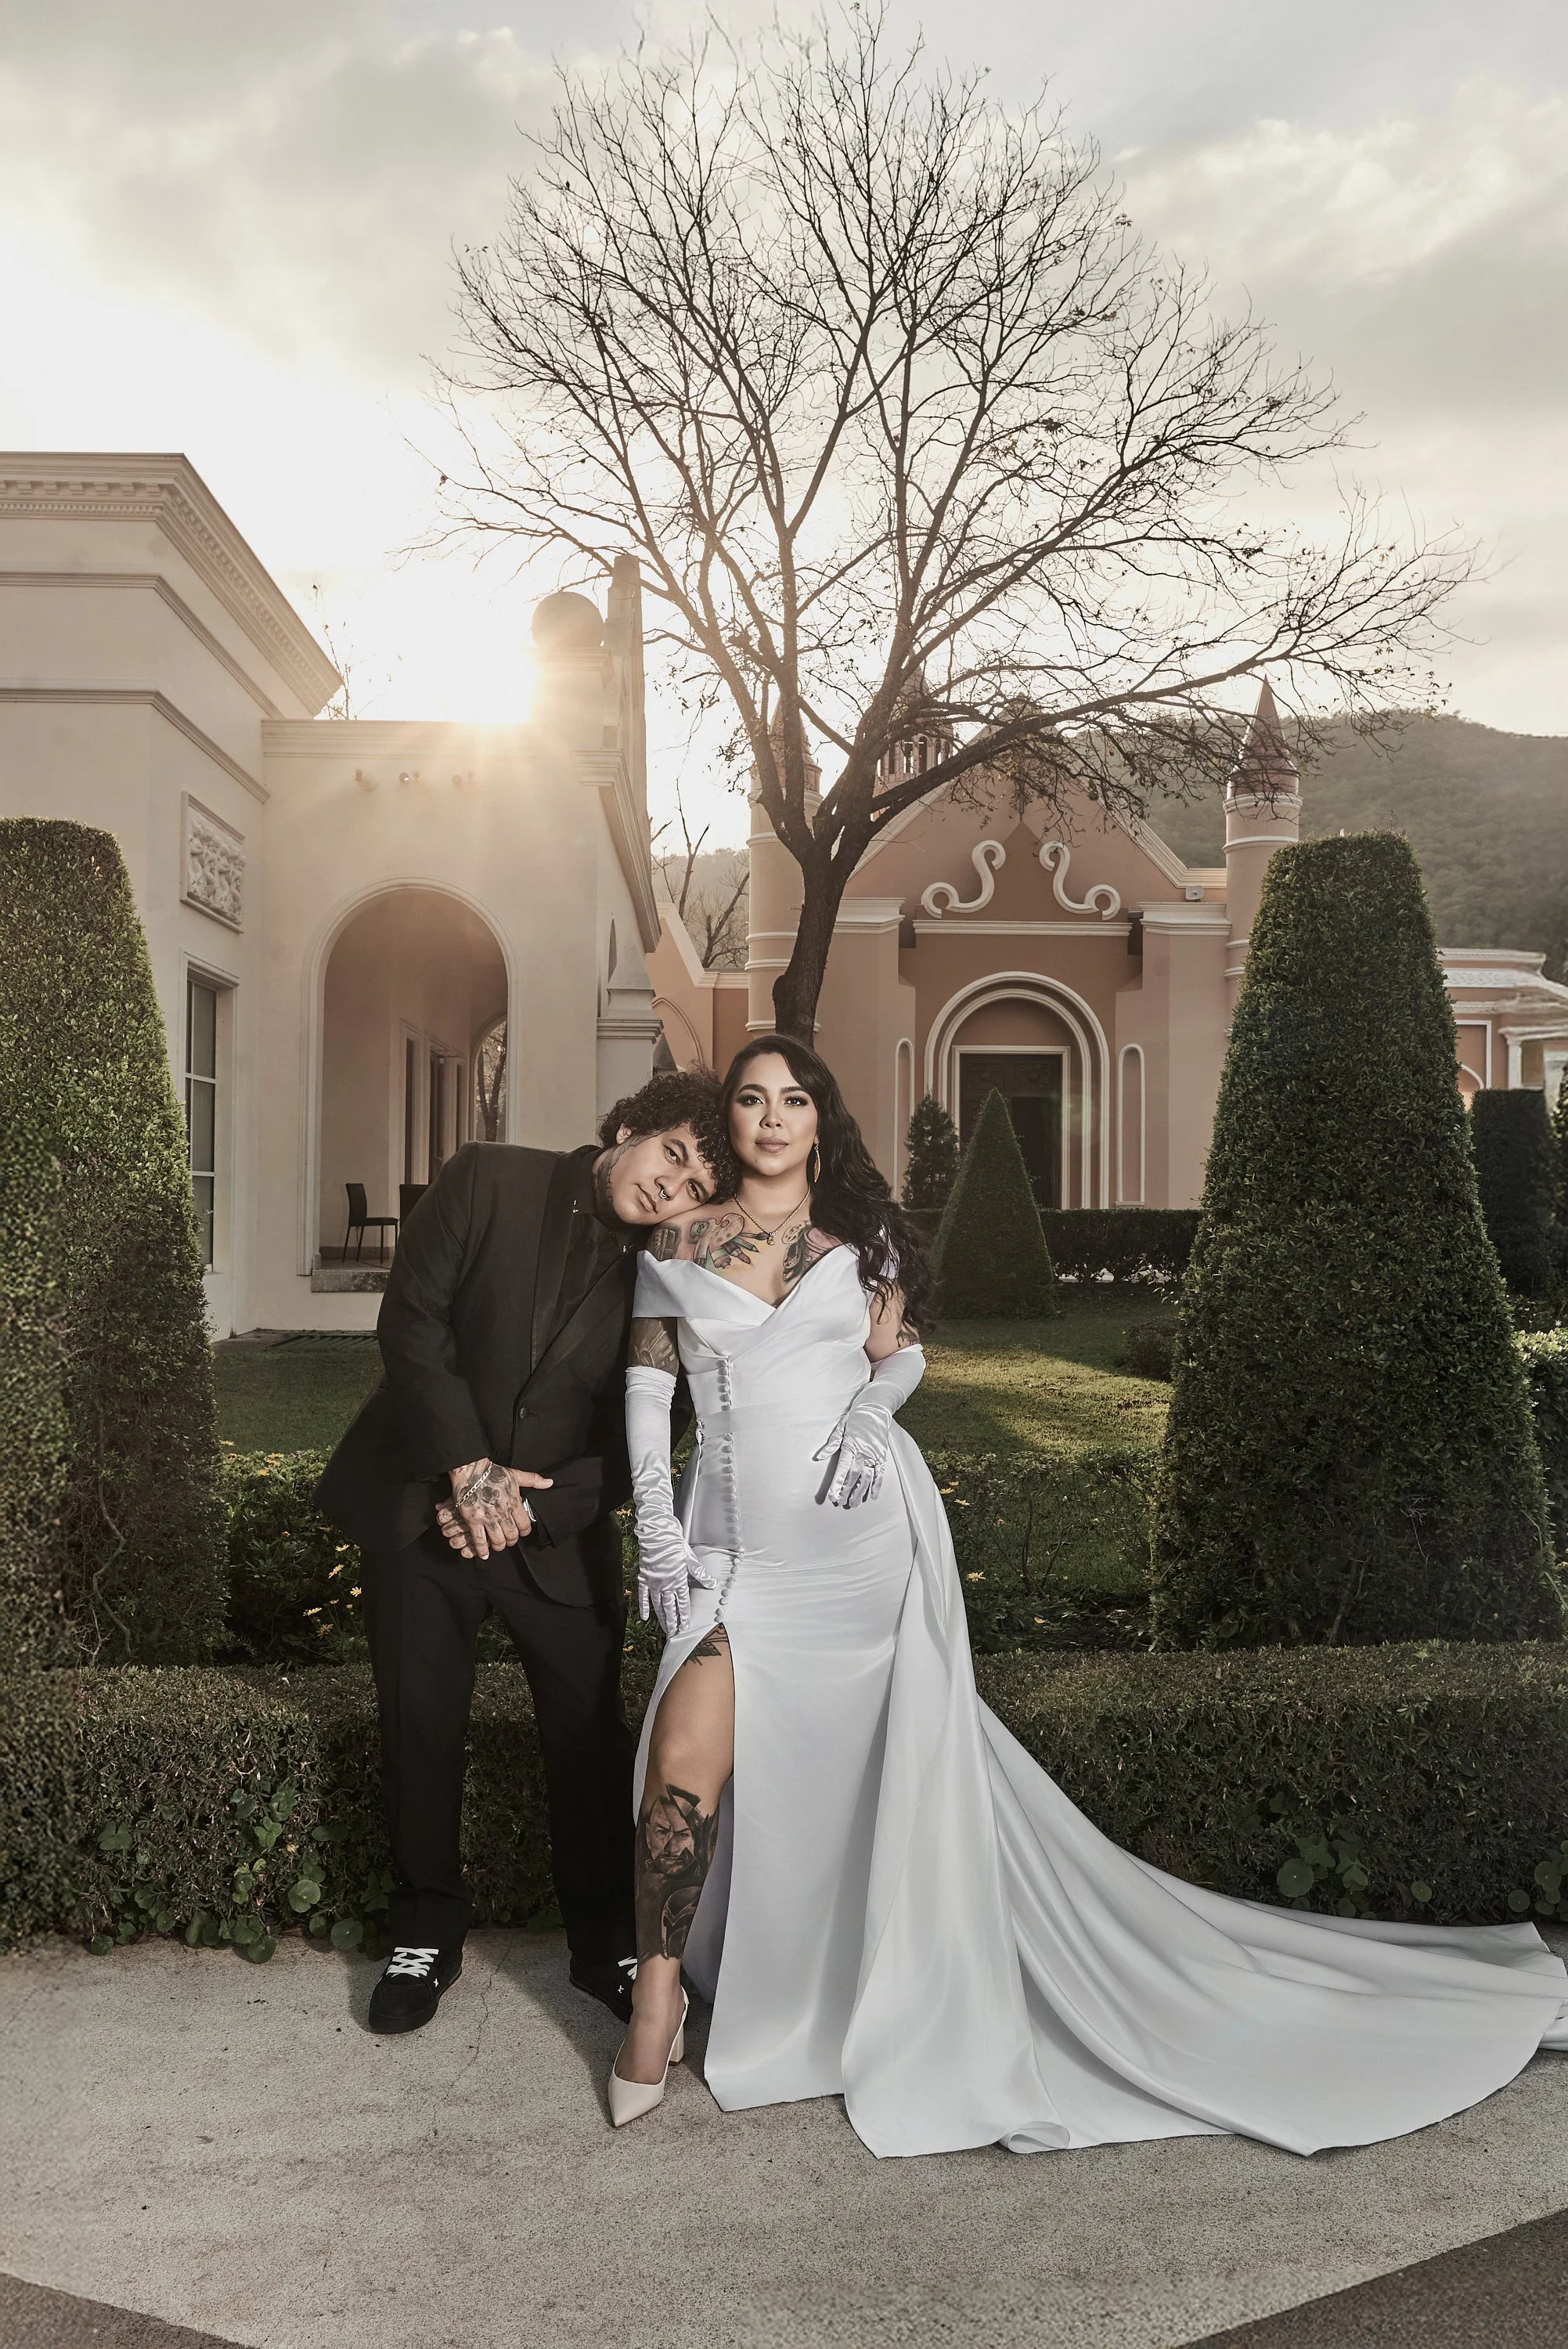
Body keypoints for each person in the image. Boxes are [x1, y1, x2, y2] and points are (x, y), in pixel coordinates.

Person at [606, 1034, 1568, 2151]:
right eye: (749, 1100)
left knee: (856, 1773)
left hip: (857, 1549)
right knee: (684, 1757)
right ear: (725, 1120)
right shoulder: (682, 1235)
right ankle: (657, 2000)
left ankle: (841, 1975)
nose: (770, 1118)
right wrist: (658, 1529)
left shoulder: (859, 1241)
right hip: (731, 1555)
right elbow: (645, 1385)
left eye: (793, 1099)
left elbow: (898, 1352)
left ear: (821, 1119)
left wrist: (874, 1409)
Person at [316, 1069, 734, 2037]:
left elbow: (661, 1418)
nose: (671, 1191)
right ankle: (424, 1929)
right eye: (671, 1155)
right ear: (630, 1125)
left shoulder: (674, 1264)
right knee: (418, 1723)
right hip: (427, 1503)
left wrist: (531, 1509)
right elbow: (411, 1327)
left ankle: (605, 1942)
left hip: (554, 1531)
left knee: (589, 1738)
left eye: (692, 1186)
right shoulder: (486, 1177)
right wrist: (466, 1472)